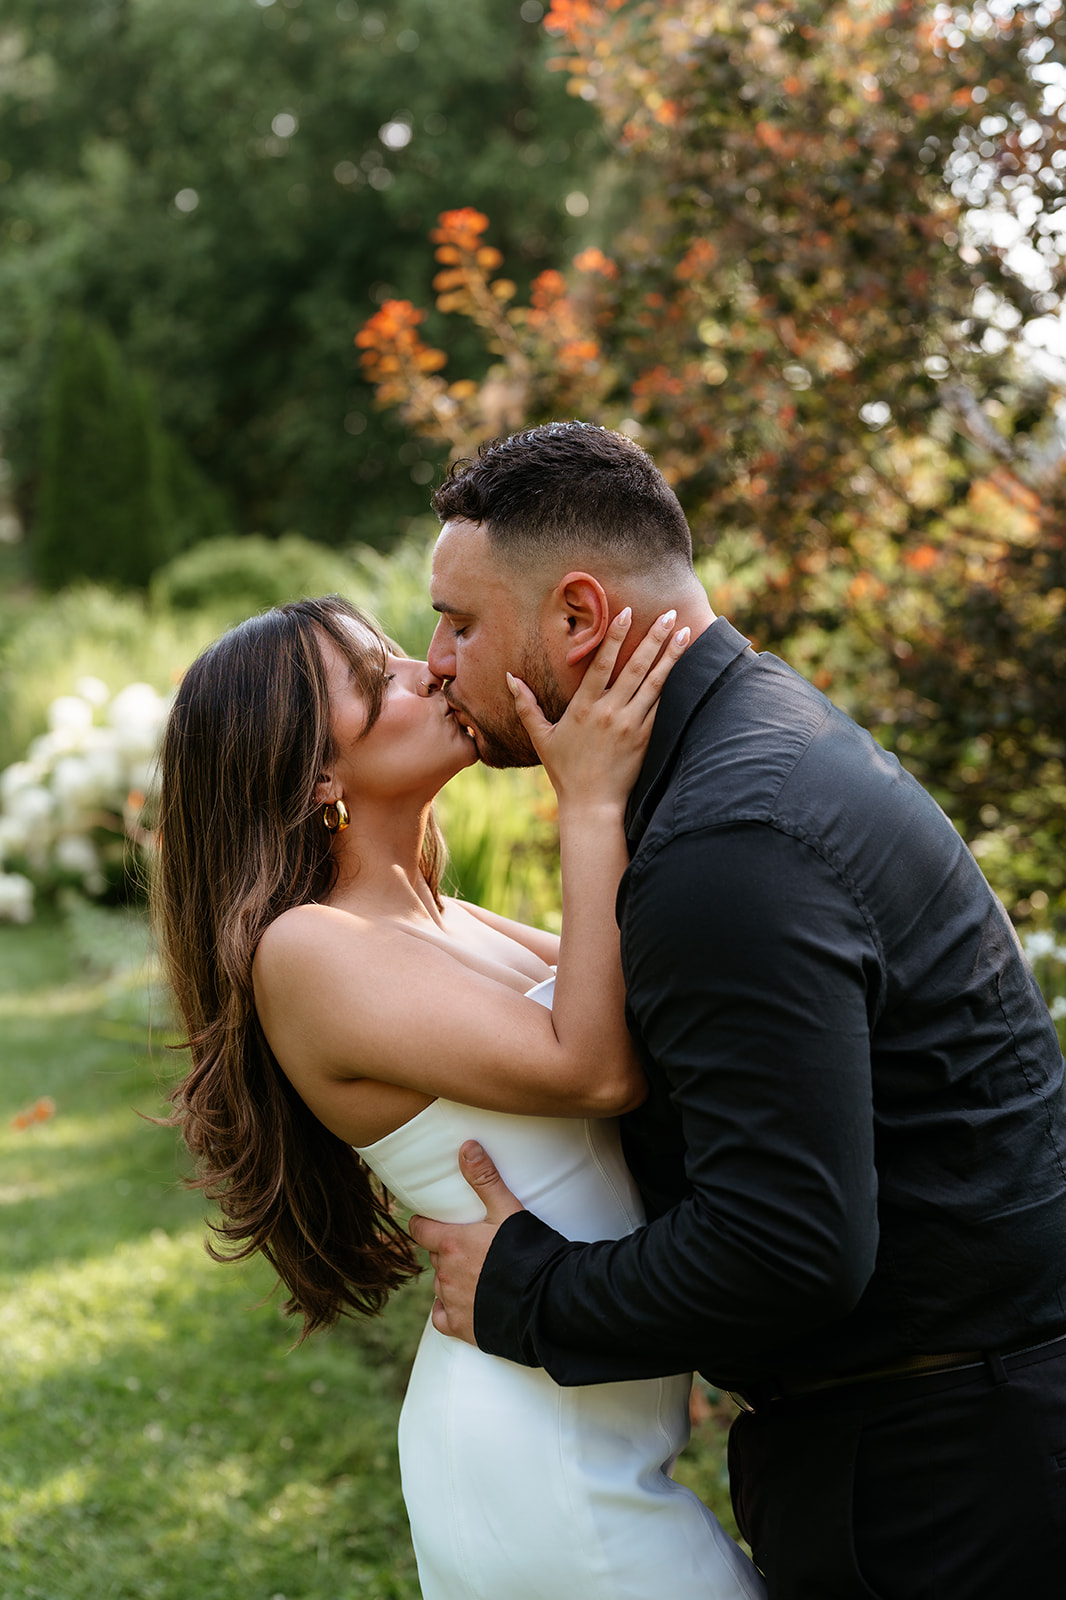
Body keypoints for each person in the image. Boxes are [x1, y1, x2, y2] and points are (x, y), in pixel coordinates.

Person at [410, 420, 1066, 1600]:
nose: (436, 658)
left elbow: (791, 1247)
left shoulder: (727, 843)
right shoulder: (747, 749)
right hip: (955, 1425)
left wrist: (524, 1287)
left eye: (460, 622)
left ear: (576, 616)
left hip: (943, 1482)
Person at [153, 593, 766, 1600]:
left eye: (400, 653)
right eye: (373, 681)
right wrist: (589, 802)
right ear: (316, 779)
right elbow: (595, 1067)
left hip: (587, 1426)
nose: (426, 671)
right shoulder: (309, 949)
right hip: (535, 1465)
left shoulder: (442, 916)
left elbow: (648, 1004)